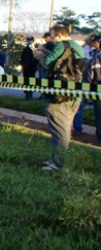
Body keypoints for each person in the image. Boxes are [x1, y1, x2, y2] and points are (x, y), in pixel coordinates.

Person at [33, 24, 85, 171]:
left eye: (53, 36)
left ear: (59, 35)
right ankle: (59, 160)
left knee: (59, 129)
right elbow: (62, 61)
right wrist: (45, 50)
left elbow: (48, 65)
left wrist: (39, 57)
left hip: (60, 95)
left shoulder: (62, 45)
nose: (52, 39)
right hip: (75, 94)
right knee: (65, 128)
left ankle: (58, 163)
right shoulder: (76, 46)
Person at [86, 48, 101, 143]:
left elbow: (88, 78)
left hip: (97, 92)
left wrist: (89, 95)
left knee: (99, 115)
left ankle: (100, 138)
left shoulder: (95, 59)